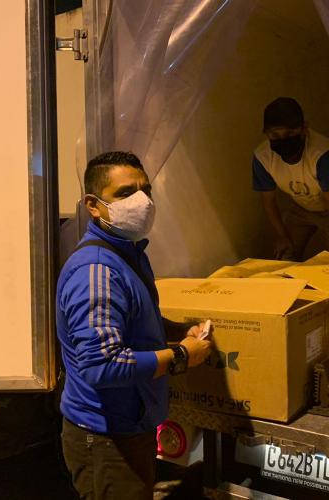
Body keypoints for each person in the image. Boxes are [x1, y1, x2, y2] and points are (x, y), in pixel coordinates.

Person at [56, 151, 212, 500]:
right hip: (106, 439)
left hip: (130, 429)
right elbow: (102, 364)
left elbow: (134, 323)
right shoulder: (96, 271)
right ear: (93, 206)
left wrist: (175, 330)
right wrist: (182, 355)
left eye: (146, 190)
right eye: (126, 193)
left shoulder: (128, 255)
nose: (142, 201)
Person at [252, 97, 329, 261]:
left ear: (304, 128)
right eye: (275, 135)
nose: (283, 140)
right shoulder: (262, 157)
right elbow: (268, 200)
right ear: (266, 133)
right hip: (302, 206)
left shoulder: (323, 154)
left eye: (290, 133)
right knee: (285, 254)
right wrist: (282, 236)